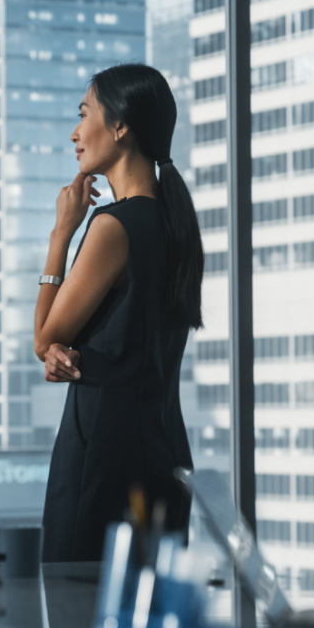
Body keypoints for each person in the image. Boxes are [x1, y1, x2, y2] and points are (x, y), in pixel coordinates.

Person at [33, 64, 205, 562]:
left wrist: (61, 235)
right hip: (165, 450)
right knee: (149, 622)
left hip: (103, 455)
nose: (75, 132)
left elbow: (45, 335)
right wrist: (56, 349)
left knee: (76, 614)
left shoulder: (113, 227)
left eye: (84, 114)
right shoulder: (177, 227)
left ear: (121, 125)